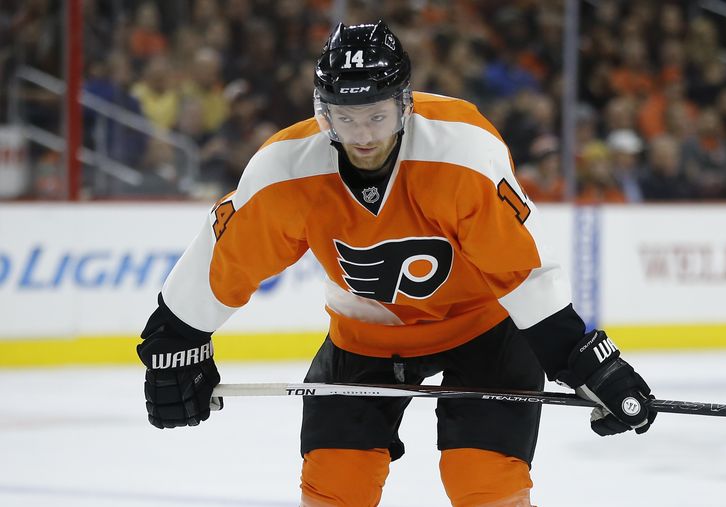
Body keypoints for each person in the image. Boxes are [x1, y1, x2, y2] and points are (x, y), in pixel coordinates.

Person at [136, 21, 657, 507]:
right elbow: (226, 257)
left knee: (485, 484)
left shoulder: (462, 152)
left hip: (484, 328)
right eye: (345, 117)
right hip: (365, 335)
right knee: (335, 486)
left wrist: (588, 362)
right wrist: (174, 341)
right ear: (323, 112)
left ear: (404, 105)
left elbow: (521, 272)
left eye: (377, 115)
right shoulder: (287, 169)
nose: (362, 135)